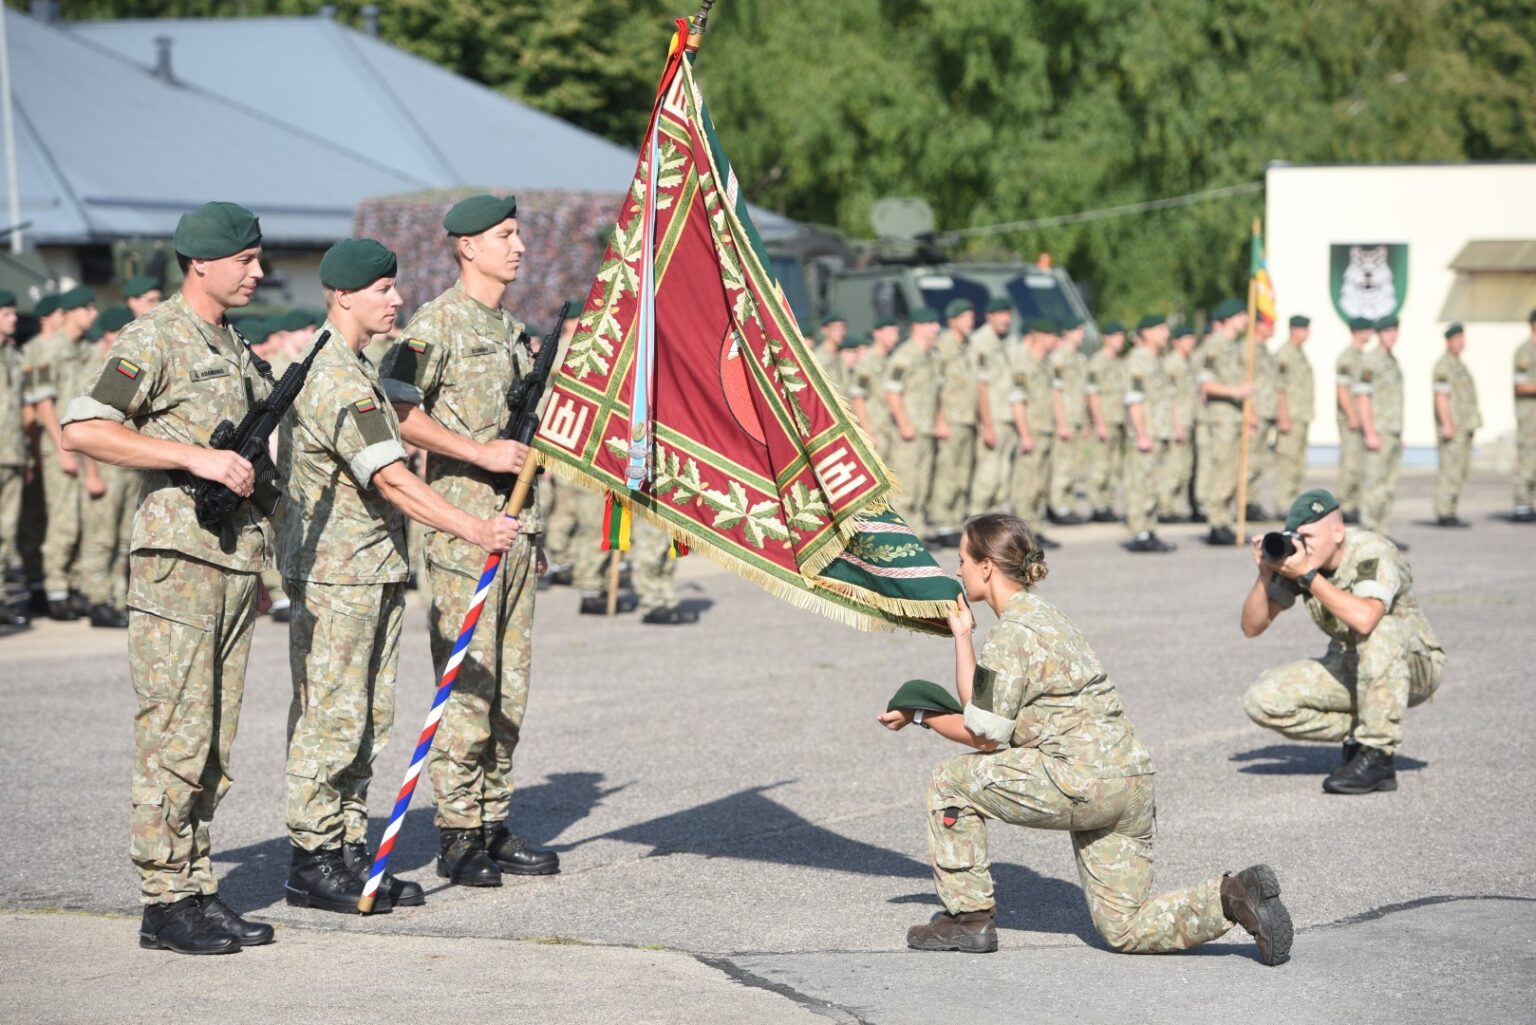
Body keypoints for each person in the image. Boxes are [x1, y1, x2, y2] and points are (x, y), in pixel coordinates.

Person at [880, 513, 1292, 964]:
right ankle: (1234, 896)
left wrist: (921, 714)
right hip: (1130, 782)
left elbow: (982, 738)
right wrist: (962, 636)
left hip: (1080, 780)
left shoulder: (1013, 632)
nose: (956, 570)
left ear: (985, 567)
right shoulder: (1046, 616)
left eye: (961, 560)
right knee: (1124, 928)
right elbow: (983, 709)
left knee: (949, 782)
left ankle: (967, 920)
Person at [279, 239, 520, 913]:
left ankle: (349, 845)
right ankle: (312, 858)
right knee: (332, 717)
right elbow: (390, 477)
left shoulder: (359, 368)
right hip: (339, 574)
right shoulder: (334, 375)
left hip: (371, 568)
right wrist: (474, 528)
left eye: (395, 287)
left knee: (364, 718)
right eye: (383, 289)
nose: (396, 300)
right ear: (343, 295)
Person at [62, 201, 277, 954]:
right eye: (245, 259)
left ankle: (194, 882)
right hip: (177, 562)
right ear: (200, 263)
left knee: (213, 737)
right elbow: (84, 426)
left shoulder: (233, 343)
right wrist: (191, 455)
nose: (257, 271)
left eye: (257, 258)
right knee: (173, 733)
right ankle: (163, 899)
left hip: (228, 560)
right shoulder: (155, 338)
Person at [380, 194, 559, 888]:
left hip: (516, 528)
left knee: (510, 687)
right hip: (462, 531)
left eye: (518, 235)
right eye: (504, 236)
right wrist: (476, 453)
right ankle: (455, 832)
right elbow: (396, 412)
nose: (517, 247)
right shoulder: (437, 324)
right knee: (469, 686)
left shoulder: (515, 330)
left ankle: (491, 818)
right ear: (466, 246)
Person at [1240, 489, 1443, 794]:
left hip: (1414, 665)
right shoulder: (1303, 560)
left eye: (1307, 536)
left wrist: (1308, 576)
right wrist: (1265, 574)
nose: (1301, 544)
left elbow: (1365, 619)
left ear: (1337, 532)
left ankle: (1378, 755)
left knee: (1379, 628)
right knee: (1263, 699)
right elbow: (1252, 626)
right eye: (1294, 536)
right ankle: (1363, 733)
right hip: (1356, 665)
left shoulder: (1370, 551)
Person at [24, 286, 99, 619]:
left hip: (85, 444)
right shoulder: (46, 350)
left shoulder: (86, 350)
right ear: (69, 312)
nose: (93, 314)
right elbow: (43, 404)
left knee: (83, 519)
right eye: (87, 308)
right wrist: (60, 448)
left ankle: (73, 586)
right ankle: (55, 589)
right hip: (61, 446)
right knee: (64, 521)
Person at [76, 306, 139, 627]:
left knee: (125, 539)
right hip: (103, 465)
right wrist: (90, 473)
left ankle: (116, 598)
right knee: (101, 536)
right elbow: (83, 427)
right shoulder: (97, 366)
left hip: (129, 464)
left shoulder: (128, 365)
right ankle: (97, 598)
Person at [1195, 299, 1251, 545]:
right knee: (1223, 470)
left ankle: (1224, 521)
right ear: (1228, 319)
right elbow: (1205, 384)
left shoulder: (1234, 346)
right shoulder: (1214, 346)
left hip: (1235, 417)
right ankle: (1216, 522)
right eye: (1241, 315)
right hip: (1221, 418)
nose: (1246, 320)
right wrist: (1236, 392)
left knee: (1233, 471)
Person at [882, 307, 942, 530]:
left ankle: (919, 535)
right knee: (906, 488)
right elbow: (892, 392)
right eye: (930, 324)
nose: (936, 328)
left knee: (922, 486)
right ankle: (902, 535)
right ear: (917, 327)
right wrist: (904, 424)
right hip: (907, 432)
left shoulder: (930, 356)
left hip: (925, 430)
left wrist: (938, 420)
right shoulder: (904, 356)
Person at [1122, 315, 1177, 553]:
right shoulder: (1138, 360)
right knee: (1141, 484)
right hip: (1147, 433)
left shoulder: (1157, 360)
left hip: (1159, 431)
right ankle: (1140, 532)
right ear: (1146, 332)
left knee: (1154, 484)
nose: (1166, 333)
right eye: (1160, 328)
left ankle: (1149, 528)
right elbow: (1134, 400)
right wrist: (1141, 433)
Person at [930, 299, 980, 542]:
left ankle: (955, 520)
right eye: (965, 317)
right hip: (950, 419)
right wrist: (939, 419)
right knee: (947, 473)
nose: (971, 320)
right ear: (952, 321)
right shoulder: (943, 347)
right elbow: (936, 387)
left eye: (971, 316)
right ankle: (942, 523)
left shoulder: (969, 346)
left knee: (962, 474)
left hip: (967, 419)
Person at [1354, 316, 1405, 546]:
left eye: (1395, 331)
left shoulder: (1392, 361)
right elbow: (1363, 397)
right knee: (1374, 483)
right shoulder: (1370, 361)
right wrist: (1369, 432)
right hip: (1378, 430)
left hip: (1392, 430)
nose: (1392, 335)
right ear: (1379, 334)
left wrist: (1399, 434)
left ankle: (1382, 530)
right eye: (1388, 331)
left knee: (1388, 484)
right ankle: (1370, 531)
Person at [1006, 319, 1057, 545]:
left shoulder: (1045, 363)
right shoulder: (1022, 363)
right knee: (1026, 483)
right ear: (1042, 336)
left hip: (1045, 429)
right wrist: (1024, 433)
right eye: (1054, 336)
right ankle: (1024, 532)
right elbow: (1017, 401)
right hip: (1032, 430)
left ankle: (1036, 527)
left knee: (1040, 482)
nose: (1056, 341)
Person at [968, 299, 1015, 513]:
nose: (1006, 318)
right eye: (1000, 313)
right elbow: (980, 387)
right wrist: (987, 425)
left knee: (1003, 474)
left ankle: (995, 524)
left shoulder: (1009, 341)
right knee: (988, 473)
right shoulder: (980, 343)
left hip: (1008, 416)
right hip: (993, 417)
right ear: (989, 316)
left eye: (1008, 313)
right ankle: (976, 519)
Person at [1431, 324, 1479, 527]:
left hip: (1464, 426)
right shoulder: (1444, 366)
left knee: (1459, 471)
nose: (1460, 342)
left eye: (1462, 338)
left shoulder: (1459, 365)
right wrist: (1447, 425)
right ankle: (1444, 512)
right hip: (1454, 428)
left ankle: (1451, 510)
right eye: (1456, 338)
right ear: (1448, 341)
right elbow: (1441, 397)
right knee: (1450, 471)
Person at [1084, 320, 1127, 523]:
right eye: (1115, 336)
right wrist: (1098, 422)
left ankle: (1108, 502)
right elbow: (1092, 395)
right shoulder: (1097, 363)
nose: (1119, 340)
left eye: (1121, 336)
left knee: (1114, 465)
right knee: (1101, 464)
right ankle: (1098, 504)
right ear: (1105, 338)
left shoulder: (1120, 363)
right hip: (1105, 419)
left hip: (1119, 420)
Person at [0, 289, 26, 623]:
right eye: (7, 313)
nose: (14, 318)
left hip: (12, 452)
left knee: (6, 531)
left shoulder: (15, 356)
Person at [1047, 317, 1089, 524]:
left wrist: (1086, 420)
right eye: (1079, 330)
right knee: (1062, 465)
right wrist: (1061, 421)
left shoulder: (1079, 359)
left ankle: (1068, 504)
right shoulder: (1058, 359)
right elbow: (1055, 393)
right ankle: (1058, 506)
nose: (1082, 334)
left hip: (1077, 418)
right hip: (1064, 418)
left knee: (1073, 465)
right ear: (1069, 332)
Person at [1334, 317, 1374, 523]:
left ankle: (1354, 504)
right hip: (1351, 421)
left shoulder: (1363, 357)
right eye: (1368, 329)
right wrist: (1351, 415)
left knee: (1359, 465)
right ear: (1359, 332)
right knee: (1350, 464)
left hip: (1361, 420)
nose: (1371, 333)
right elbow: (1341, 390)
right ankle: (1345, 505)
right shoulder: (1347, 358)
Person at [1272, 315, 1314, 506]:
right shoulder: (1285, 355)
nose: (1307, 333)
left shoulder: (1299, 353)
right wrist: (1283, 415)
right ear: (1293, 330)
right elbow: (1279, 387)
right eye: (1304, 329)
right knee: (1287, 463)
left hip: (1301, 416)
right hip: (1290, 416)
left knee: (1297, 464)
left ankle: (1291, 502)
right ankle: (1283, 503)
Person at [1158, 325, 1197, 523]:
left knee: (1183, 467)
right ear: (1176, 342)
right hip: (1176, 422)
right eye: (1186, 338)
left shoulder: (1187, 362)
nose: (1191, 342)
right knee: (1173, 467)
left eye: (1192, 338)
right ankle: (1165, 507)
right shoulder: (1172, 363)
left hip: (1187, 420)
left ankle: (1172, 506)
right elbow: (1169, 397)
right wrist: (1176, 424)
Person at [1244, 316, 1280, 520]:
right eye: (1268, 323)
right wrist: (1249, 413)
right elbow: (1244, 381)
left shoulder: (1265, 350)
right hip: (1255, 413)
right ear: (1257, 325)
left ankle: (1253, 500)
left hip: (1266, 413)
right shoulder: (1248, 349)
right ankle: (1246, 503)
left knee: (1260, 462)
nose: (1272, 327)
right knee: (1250, 461)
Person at [1512, 309, 1536, 523]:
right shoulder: (1524, 353)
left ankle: (1531, 503)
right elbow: (1520, 386)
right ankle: (1521, 504)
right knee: (1527, 460)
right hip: (1529, 418)